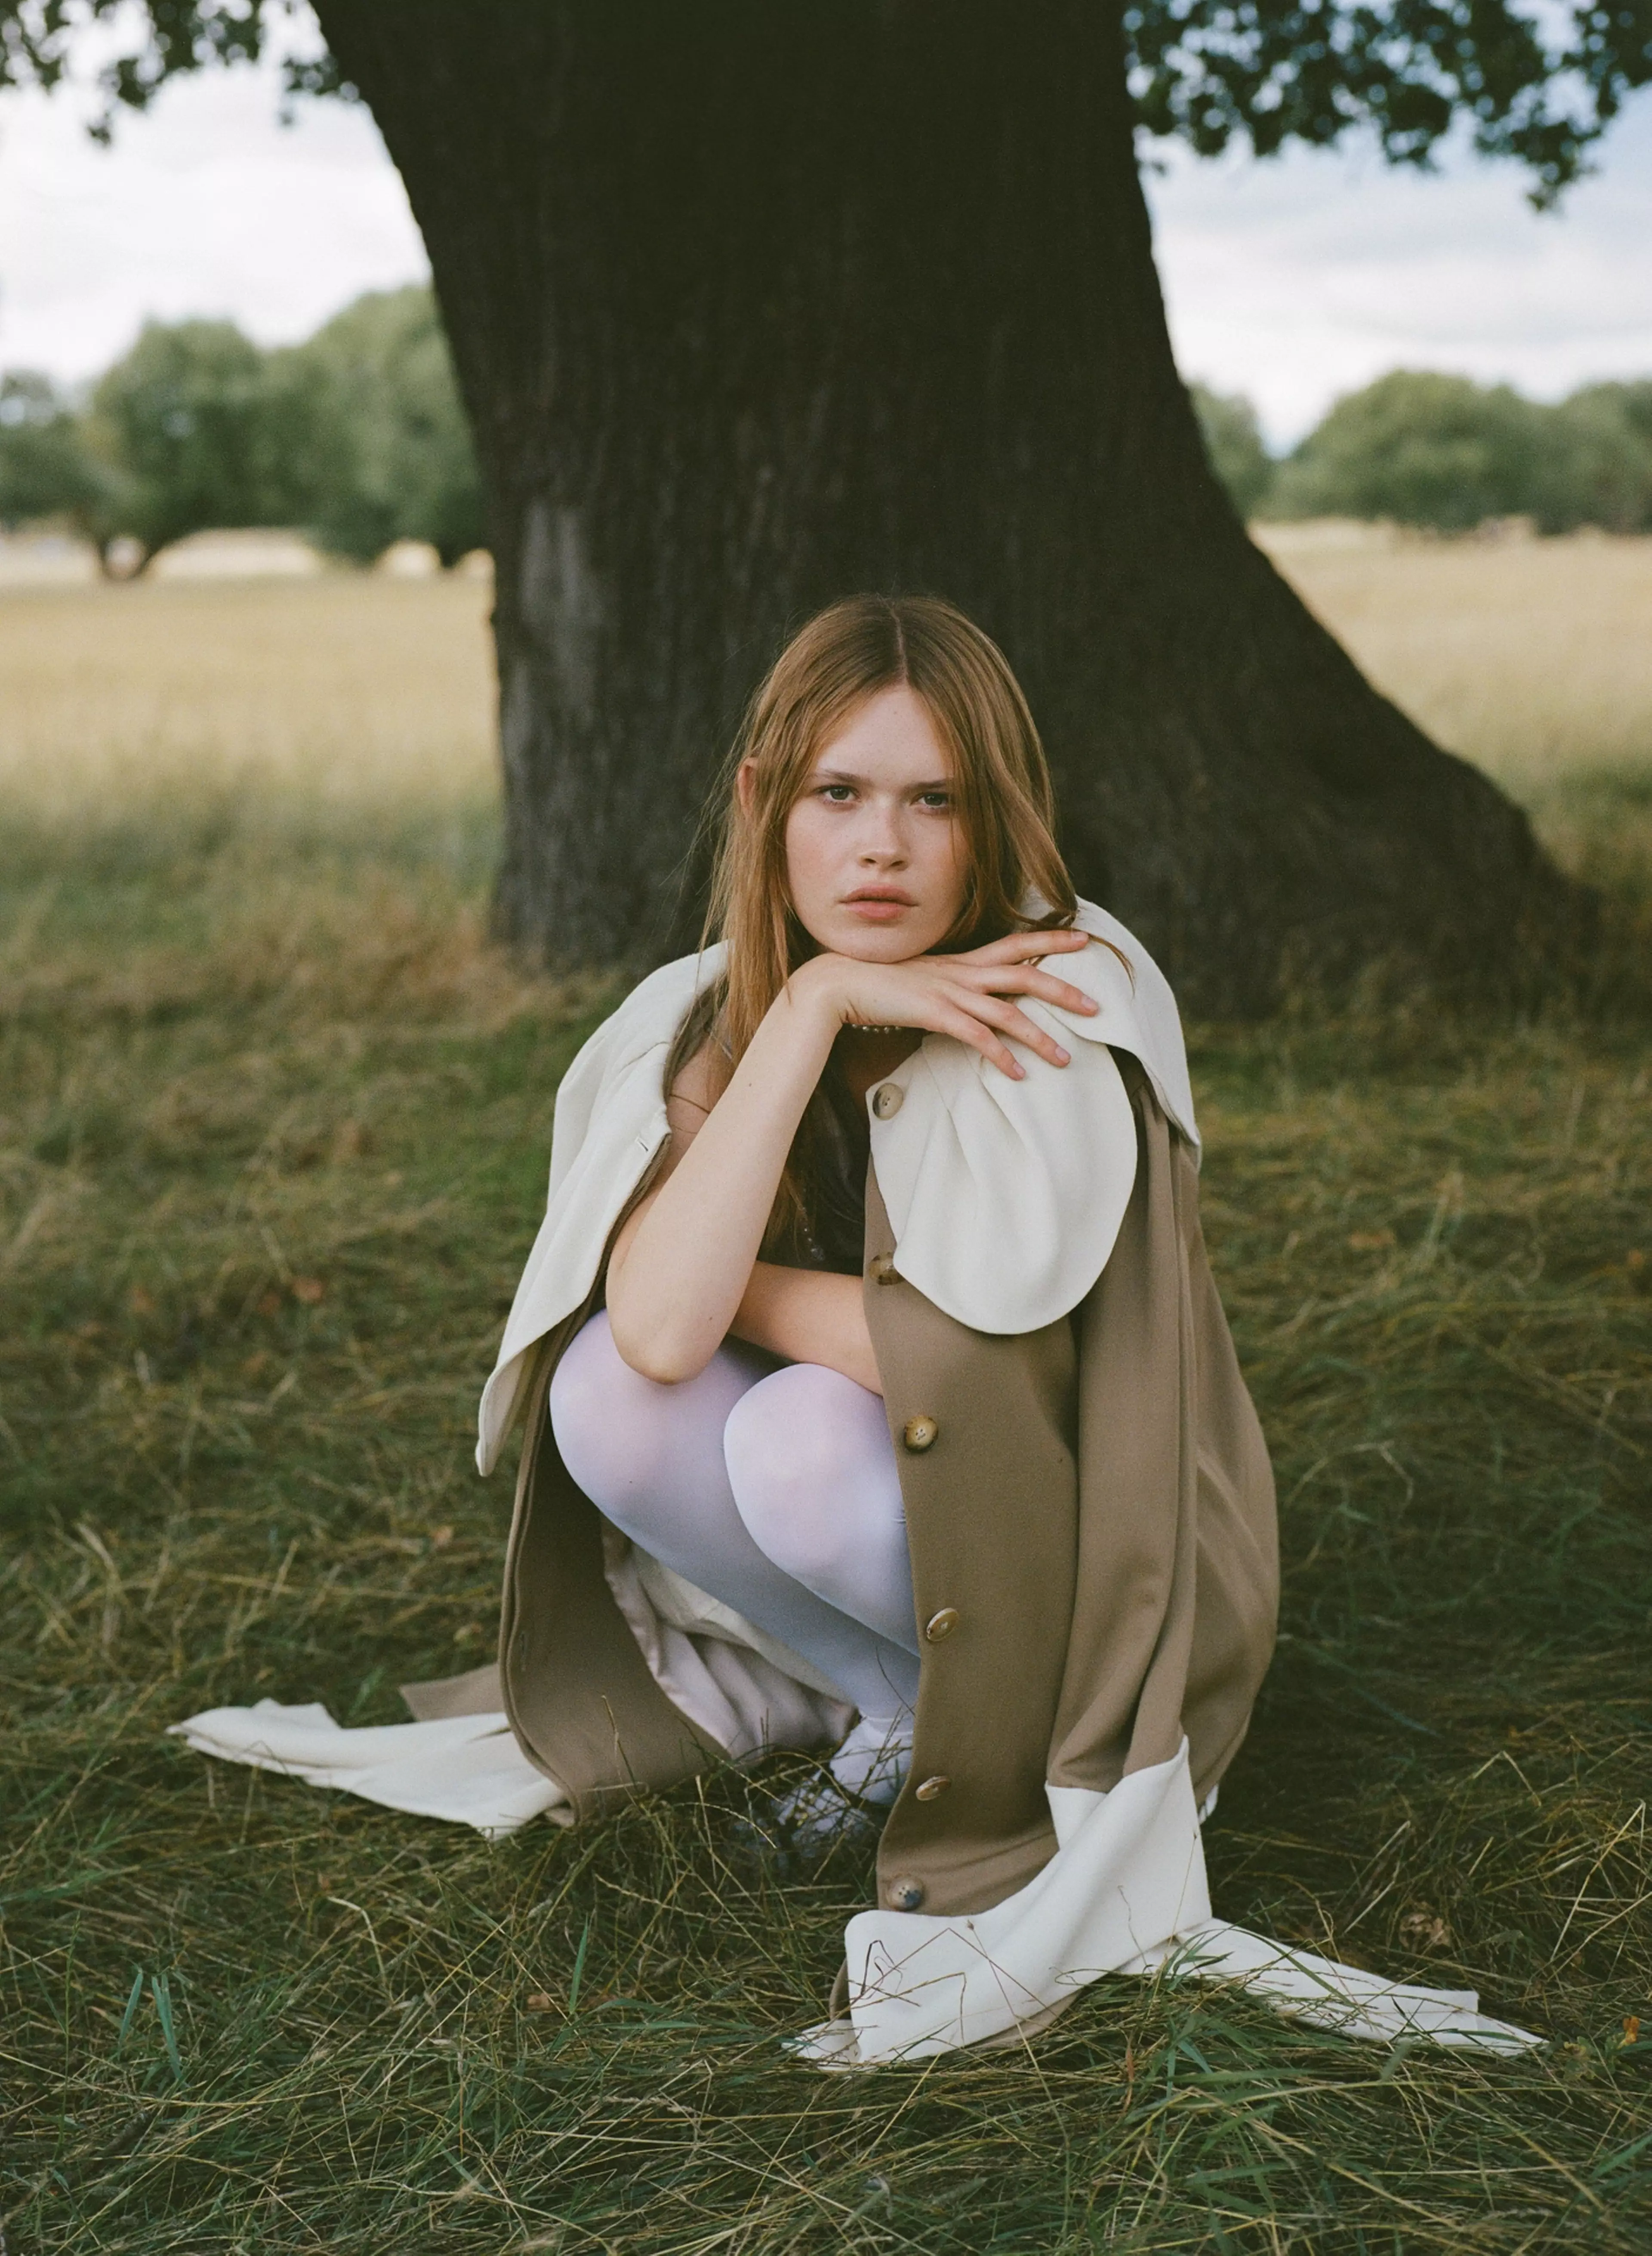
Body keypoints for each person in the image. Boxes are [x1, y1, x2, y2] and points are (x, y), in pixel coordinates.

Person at [174, 594, 1540, 2062]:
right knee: (603, 1398)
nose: (880, 845)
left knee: (795, 1429)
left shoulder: (1061, 990)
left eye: (931, 799)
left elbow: (953, 1363)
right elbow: (644, 1342)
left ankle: (973, 1738)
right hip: (907, 1525)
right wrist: (815, 1003)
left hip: (1075, 1566)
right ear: (769, 804)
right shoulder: (714, 1010)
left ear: (993, 815)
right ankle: (890, 1712)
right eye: (839, 793)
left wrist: (733, 1291)